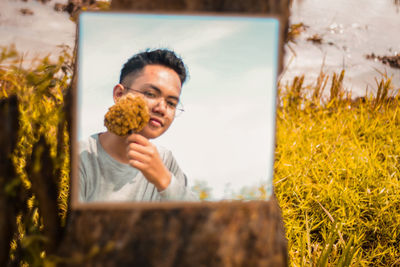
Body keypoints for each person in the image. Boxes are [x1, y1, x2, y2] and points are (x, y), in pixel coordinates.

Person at [79, 49, 198, 202]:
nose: (161, 108)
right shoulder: (79, 158)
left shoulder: (165, 161)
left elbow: (198, 220)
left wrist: (164, 181)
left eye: (171, 103)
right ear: (119, 95)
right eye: (150, 94)